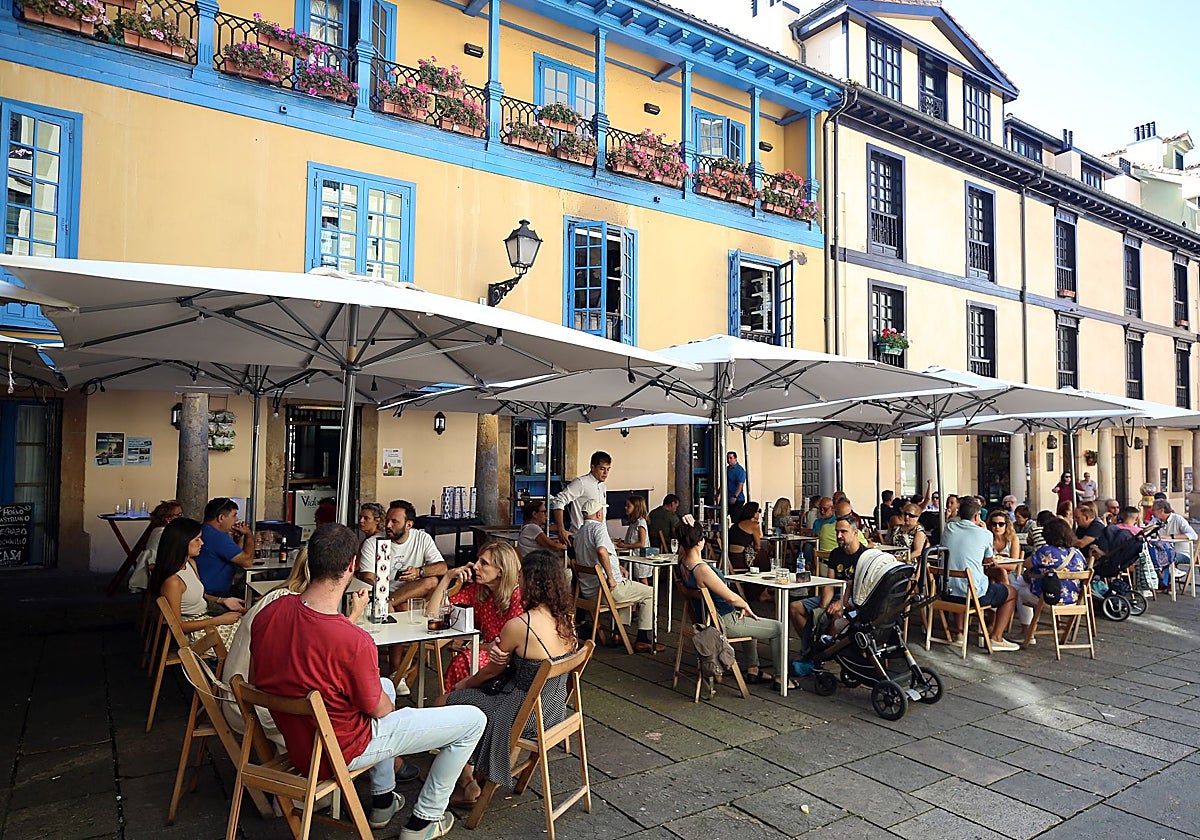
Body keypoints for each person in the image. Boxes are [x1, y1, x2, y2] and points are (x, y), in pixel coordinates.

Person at [250, 524, 485, 839]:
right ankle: (424, 821)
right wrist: (388, 707)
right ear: (351, 566)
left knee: (386, 684)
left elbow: (262, 677)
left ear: (309, 561)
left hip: (300, 740)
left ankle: (383, 799)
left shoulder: (269, 612)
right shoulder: (353, 640)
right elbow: (379, 710)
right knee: (472, 719)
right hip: (340, 748)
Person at [438, 549, 578, 808]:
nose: (519, 581)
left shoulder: (520, 625)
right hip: (553, 713)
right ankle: (471, 774)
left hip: (519, 715)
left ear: (531, 582)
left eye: (522, 576)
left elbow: (491, 672)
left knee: (446, 703)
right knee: (469, 699)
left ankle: (463, 784)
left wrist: (464, 684)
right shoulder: (566, 619)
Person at [676, 519, 795, 692]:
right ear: (701, 542)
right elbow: (731, 598)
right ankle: (781, 677)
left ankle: (753, 669)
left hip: (706, 620)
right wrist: (745, 604)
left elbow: (684, 545)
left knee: (750, 619)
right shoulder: (702, 569)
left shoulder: (682, 564)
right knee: (779, 628)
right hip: (724, 621)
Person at [427, 541, 525, 691]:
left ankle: (459, 706)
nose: (475, 566)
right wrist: (447, 577)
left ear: (500, 571)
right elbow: (433, 613)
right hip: (487, 656)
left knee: (464, 661)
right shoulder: (480, 590)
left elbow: (505, 649)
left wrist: (470, 646)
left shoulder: (517, 597)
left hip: (508, 664)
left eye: (484, 563)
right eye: (478, 560)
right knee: (465, 661)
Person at [573, 498, 661, 653]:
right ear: (599, 514)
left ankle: (618, 633)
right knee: (649, 593)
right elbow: (601, 551)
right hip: (606, 591)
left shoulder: (579, 533)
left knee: (627, 588)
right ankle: (643, 639)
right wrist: (611, 577)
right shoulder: (599, 528)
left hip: (589, 593)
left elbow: (592, 556)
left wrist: (617, 566)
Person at [150, 517, 246, 647]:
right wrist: (219, 620)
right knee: (248, 636)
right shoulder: (173, 582)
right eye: (197, 539)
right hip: (195, 632)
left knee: (252, 626)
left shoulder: (191, 563)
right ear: (182, 543)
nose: (202, 543)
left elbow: (198, 595)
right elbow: (178, 626)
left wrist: (223, 600)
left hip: (205, 619)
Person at [941, 497, 1019, 651]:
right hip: (973, 595)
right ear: (977, 516)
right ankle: (996, 637)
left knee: (961, 580)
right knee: (1011, 592)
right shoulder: (984, 534)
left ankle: (960, 634)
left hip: (946, 592)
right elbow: (988, 560)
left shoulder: (948, 529)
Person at [357, 499, 447, 611]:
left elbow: (443, 568)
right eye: (387, 520)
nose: (388, 525)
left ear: (409, 524)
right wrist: (379, 593)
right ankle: (389, 603)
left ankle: (388, 603)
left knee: (432, 581)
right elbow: (367, 579)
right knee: (403, 607)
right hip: (384, 592)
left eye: (394, 522)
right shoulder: (372, 543)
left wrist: (419, 572)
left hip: (414, 591)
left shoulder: (422, 538)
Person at [1012, 518, 1088, 645]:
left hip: (1049, 598)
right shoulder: (1077, 553)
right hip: (1072, 601)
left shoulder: (1047, 551)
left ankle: (1027, 633)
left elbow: (1026, 563)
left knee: (1019, 591)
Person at [549, 451, 610, 551]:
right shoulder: (581, 483)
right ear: (593, 467)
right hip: (581, 536)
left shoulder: (603, 486)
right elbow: (558, 501)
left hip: (599, 537)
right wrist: (561, 529)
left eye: (608, 469)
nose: (605, 473)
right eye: (602, 469)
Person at [195, 497, 255, 597]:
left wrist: (240, 538)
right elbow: (247, 562)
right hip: (212, 594)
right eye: (234, 515)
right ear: (221, 518)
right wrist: (249, 534)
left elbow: (236, 557)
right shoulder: (217, 537)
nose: (236, 519)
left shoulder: (206, 531)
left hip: (207, 590)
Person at [129, 499, 182, 592]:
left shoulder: (157, 530)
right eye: (179, 515)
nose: (182, 517)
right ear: (168, 518)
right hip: (162, 573)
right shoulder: (165, 534)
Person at [1151, 499, 1197, 570]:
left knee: (1165, 558)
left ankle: (1166, 579)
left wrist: (1171, 537)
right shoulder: (1155, 520)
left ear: (1161, 510)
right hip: (1164, 552)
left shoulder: (1178, 519)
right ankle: (1163, 578)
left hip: (1182, 553)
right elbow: (1148, 530)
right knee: (1151, 556)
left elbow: (1193, 535)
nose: (1152, 512)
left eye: (1154, 510)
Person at [615, 494, 651, 582]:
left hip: (641, 557)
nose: (625, 508)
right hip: (634, 556)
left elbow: (641, 543)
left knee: (642, 578)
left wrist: (625, 545)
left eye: (628, 506)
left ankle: (648, 595)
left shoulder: (641, 523)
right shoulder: (633, 522)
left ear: (636, 508)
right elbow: (633, 540)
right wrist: (623, 541)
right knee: (637, 577)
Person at [985, 510, 1021, 586]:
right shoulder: (987, 538)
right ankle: (1008, 595)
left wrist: (995, 564)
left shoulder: (1013, 539)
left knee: (995, 578)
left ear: (1006, 525)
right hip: (990, 572)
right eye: (994, 524)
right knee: (997, 575)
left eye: (1001, 524)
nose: (997, 527)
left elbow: (1013, 566)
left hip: (1009, 573)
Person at [728, 502, 764, 569]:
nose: (759, 513)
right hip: (743, 560)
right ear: (754, 512)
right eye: (759, 511)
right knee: (763, 553)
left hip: (730, 559)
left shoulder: (735, 525)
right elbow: (758, 546)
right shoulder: (753, 525)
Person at [725, 451, 747, 517]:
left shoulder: (740, 470)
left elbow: (740, 485)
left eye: (731, 458)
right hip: (727, 498)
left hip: (737, 499)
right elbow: (724, 482)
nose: (729, 460)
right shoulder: (727, 469)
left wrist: (735, 496)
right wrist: (718, 493)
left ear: (735, 459)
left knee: (735, 518)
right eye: (728, 458)